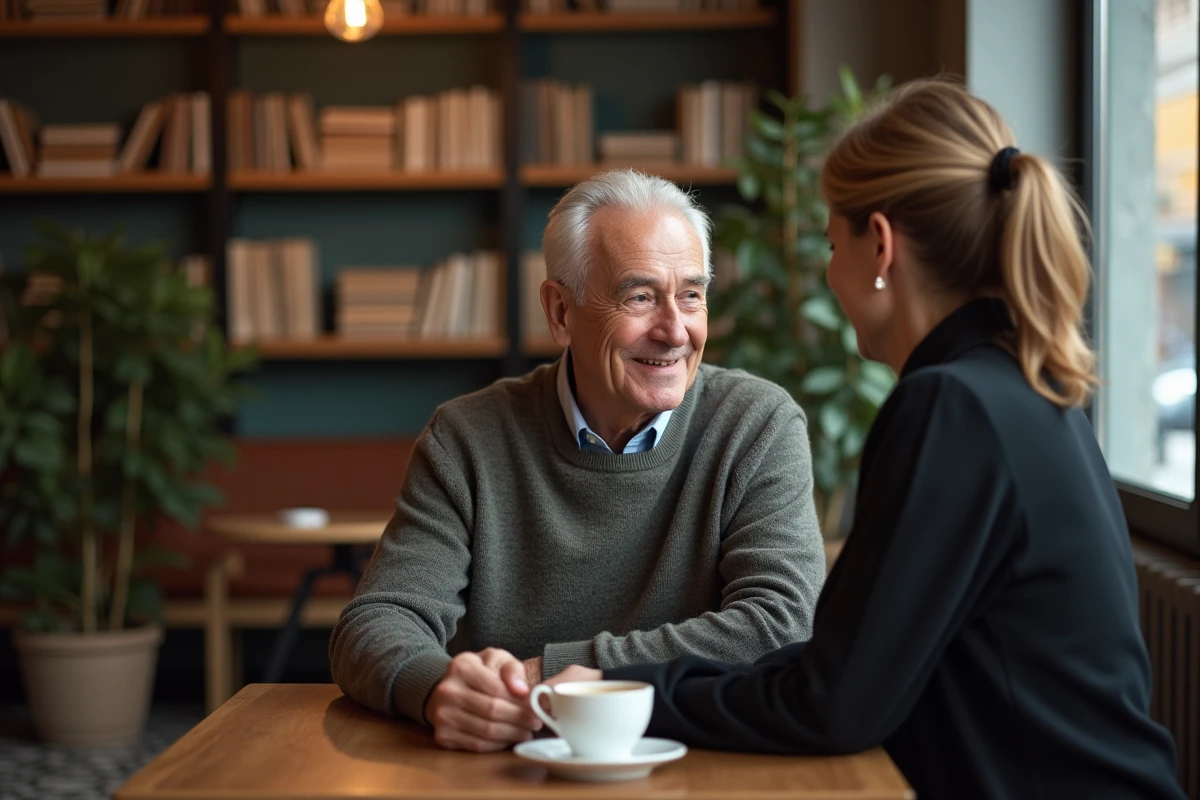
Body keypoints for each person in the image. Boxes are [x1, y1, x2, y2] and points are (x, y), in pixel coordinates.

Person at [549, 82, 1187, 799]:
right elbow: (843, 677)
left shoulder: (950, 407)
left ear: (879, 245)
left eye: (830, 242)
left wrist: (616, 690)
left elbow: (832, 704)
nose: (828, 271)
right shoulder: (1017, 388)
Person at [329, 169, 826, 753]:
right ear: (561, 312)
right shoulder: (467, 436)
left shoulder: (757, 424)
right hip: (502, 772)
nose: (675, 330)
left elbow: (782, 624)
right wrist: (439, 688)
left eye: (691, 295)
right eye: (640, 296)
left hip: (693, 769)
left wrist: (558, 675)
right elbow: (374, 623)